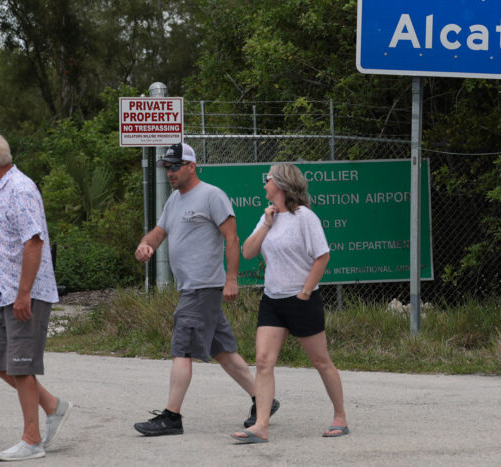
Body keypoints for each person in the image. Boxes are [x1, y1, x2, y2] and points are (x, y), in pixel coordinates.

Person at [133, 142, 279, 436]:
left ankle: (171, 417)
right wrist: (146, 244)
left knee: (182, 348)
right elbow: (160, 231)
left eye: (175, 166)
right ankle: (263, 399)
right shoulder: (174, 201)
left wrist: (232, 279)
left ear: (191, 166)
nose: (170, 172)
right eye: (166, 167)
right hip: (191, 288)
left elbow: (232, 238)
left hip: (203, 287)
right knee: (223, 351)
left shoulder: (212, 195)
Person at [0, 131, 72, 462]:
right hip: (3, 293)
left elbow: (34, 242)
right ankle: (53, 406)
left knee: (21, 366)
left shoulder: (21, 190)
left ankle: (32, 440)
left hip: (24, 294)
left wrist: (24, 293)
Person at [231, 163, 348, 444]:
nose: (264, 184)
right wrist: (267, 225)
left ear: (281, 184)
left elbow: (322, 256)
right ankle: (261, 426)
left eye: (267, 179)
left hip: (302, 300)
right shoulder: (268, 216)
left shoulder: (304, 217)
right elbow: (248, 252)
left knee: (320, 361)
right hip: (272, 300)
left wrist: (306, 292)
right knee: (263, 361)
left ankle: (340, 417)